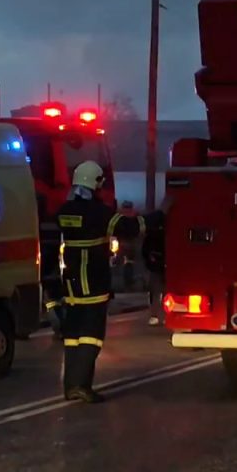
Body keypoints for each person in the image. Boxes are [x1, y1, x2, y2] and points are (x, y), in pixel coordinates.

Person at [56, 161, 168, 403]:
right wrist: (162, 212)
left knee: (73, 336)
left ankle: (71, 386)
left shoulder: (65, 210)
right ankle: (82, 386)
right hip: (93, 282)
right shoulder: (99, 213)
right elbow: (131, 227)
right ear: (93, 184)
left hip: (72, 282)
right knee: (91, 335)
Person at [141, 209, 166, 326]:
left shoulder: (151, 235)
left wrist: (150, 260)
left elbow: (145, 251)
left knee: (155, 292)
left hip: (156, 267)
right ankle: (160, 315)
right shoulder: (165, 234)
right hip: (161, 266)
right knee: (161, 292)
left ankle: (155, 315)